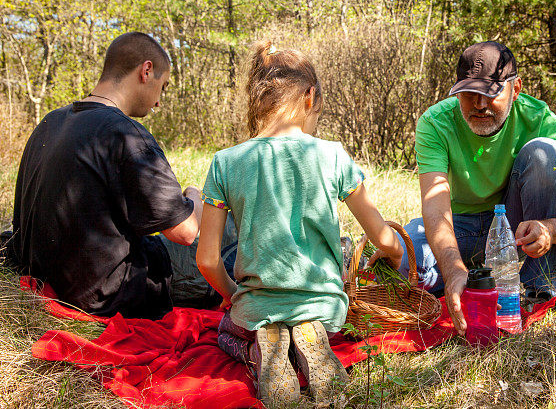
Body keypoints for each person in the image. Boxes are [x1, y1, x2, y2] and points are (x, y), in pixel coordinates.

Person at [196, 42, 404, 405]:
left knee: (224, 333)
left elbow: (207, 260)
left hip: (258, 308)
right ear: (310, 96)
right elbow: (383, 237)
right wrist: (396, 254)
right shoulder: (333, 155)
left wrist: (234, 295)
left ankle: (264, 355)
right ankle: (307, 348)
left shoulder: (225, 162)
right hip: (327, 310)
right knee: (317, 328)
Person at [9, 32, 231, 319]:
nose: (159, 102)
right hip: (109, 292)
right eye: (162, 88)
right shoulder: (126, 134)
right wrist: (194, 196)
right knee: (233, 229)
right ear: (146, 71)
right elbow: (185, 232)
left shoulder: (51, 121)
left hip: (51, 276)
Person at [398, 41, 556, 335]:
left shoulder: (543, 121)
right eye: (469, 93)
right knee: (399, 264)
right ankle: (470, 279)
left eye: (491, 93)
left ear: (516, 88)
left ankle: (538, 293)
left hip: (515, 231)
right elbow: (435, 209)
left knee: (544, 153)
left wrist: (550, 229)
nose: (480, 104)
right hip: (459, 229)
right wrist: (453, 269)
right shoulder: (435, 123)